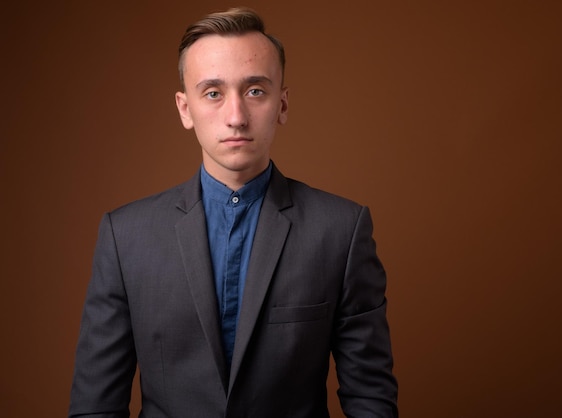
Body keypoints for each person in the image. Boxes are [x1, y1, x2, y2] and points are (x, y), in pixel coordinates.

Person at [68, 7, 398, 418]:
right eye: (213, 92)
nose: (236, 117)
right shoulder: (125, 236)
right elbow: (95, 406)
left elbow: (371, 400)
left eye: (256, 90)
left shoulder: (341, 231)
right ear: (185, 108)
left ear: (282, 103)